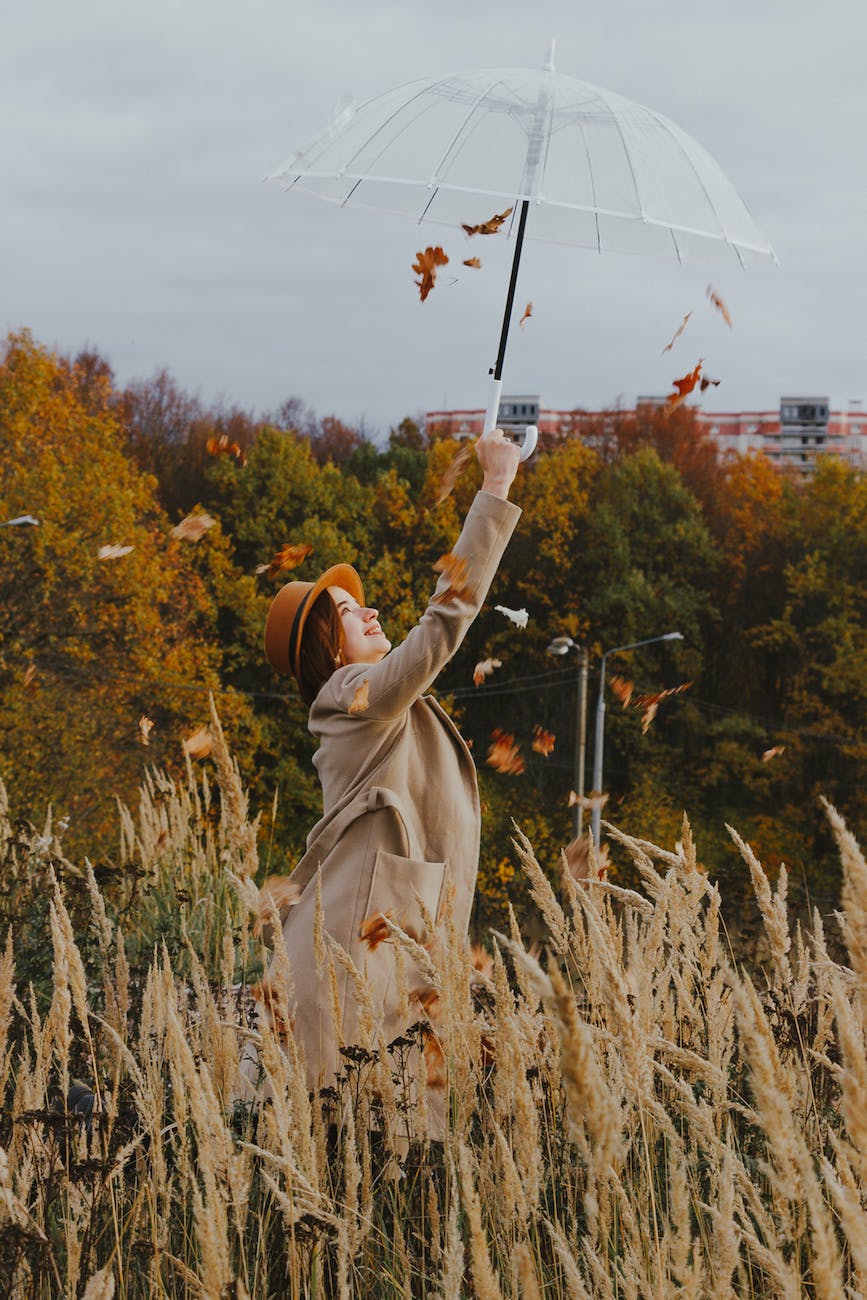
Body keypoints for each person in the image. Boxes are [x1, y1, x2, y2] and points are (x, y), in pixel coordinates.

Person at [242, 429, 522, 1125]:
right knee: (355, 1133)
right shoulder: (347, 695)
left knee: (372, 1136)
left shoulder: (371, 706)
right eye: (347, 613)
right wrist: (493, 492)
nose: (369, 610)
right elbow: (442, 626)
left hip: (380, 951)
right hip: (358, 960)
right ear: (328, 650)